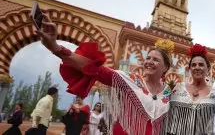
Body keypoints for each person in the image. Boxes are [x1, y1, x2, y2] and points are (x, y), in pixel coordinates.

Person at [35, 14, 174, 134]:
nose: (149, 62)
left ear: (166, 67)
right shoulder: (131, 80)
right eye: (148, 58)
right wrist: (55, 47)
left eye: (155, 59)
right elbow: (95, 68)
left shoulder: (170, 93)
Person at [165, 43, 215, 135]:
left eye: (201, 65)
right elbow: (168, 117)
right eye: (193, 65)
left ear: (208, 69)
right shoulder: (179, 88)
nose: (197, 67)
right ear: (189, 69)